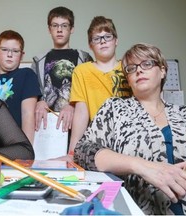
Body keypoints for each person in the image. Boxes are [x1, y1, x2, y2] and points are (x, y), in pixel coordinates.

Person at [74, 43, 186, 214]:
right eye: (131, 68)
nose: (138, 71)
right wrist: (141, 166)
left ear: (162, 70)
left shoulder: (182, 113)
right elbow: (83, 152)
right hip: (136, 209)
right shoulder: (114, 108)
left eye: (147, 64)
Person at [68, 16, 132, 155]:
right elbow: (81, 112)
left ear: (116, 40)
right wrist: (72, 151)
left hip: (129, 136)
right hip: (98, 139)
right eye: (97, 38)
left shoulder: (129, 68)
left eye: (107, 36)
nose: (103, 41)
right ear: (90, 44)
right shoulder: (82, 71)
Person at [32, 6, 93, 134]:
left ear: (72, 29)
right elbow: (32, 91)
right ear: (49, 29)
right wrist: (39, 102)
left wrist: (72, 105)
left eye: (64, 25)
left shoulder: (84, 57)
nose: (59, 30)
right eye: (55, 25)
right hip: (46, 124)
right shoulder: (39, 60)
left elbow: (90, 91)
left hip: (76, 122)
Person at [0, 30, 41, 144]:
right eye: (4, 49)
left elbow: (28, 114)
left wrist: (26, 149)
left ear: (22, 55)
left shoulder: (26, 74)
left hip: (12, 144)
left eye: (15, 51)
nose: (9, 55)